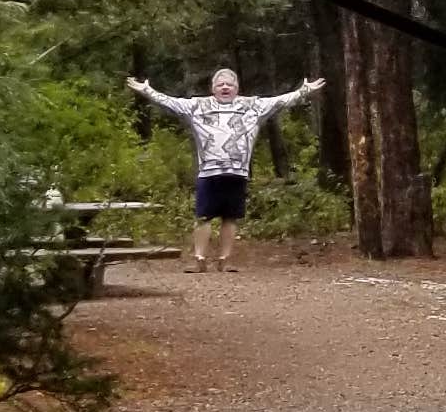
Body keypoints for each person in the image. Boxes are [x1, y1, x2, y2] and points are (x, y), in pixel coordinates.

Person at [129, 64, 323, 270]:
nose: (225, 88)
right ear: (213, 88)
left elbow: (281, 101)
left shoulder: (253, 106)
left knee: (230, 218)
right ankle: (199, 260)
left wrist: (305, 90)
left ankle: (225, 260)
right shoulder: (197, 106)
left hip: (237, 172)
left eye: (229, 84)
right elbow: (169, 102)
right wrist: (147, 91)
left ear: (236, 87)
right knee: (203, 217)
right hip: (208, 172)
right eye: (220, 84)